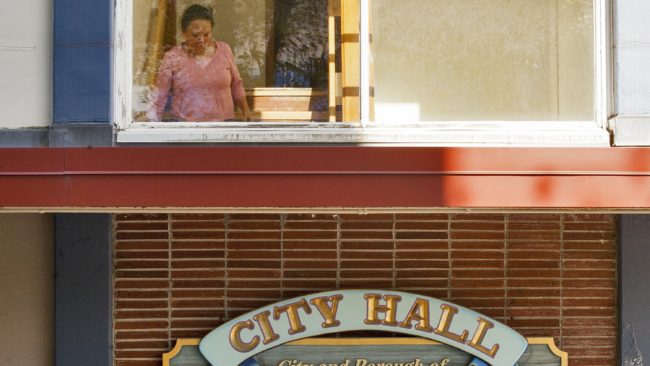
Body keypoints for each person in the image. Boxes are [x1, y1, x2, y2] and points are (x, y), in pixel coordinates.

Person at [150, 4, 253, 122]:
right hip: (186, 129)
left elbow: (236, 84)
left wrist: (245, 110)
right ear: (184, 33)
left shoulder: (224, 50)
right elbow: (159, 97)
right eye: (195, 35)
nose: (201, 39)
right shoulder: (173, 57)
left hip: (222, 127)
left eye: (206, 34)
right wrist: (152, 124)